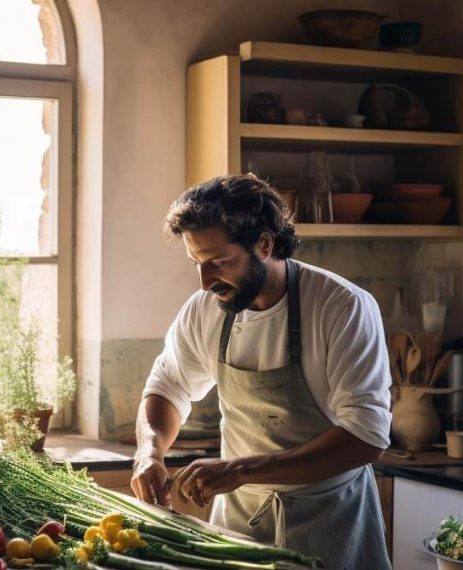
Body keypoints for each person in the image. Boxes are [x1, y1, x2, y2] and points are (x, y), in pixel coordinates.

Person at [130, 174, 393, 569]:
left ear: (264, 244)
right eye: (196, 264)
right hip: (240, 527)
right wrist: (148, 451)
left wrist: (240, 468)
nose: (204, 282)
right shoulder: (205, 310)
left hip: (331, 525)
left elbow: (367, 437)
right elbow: (168, 387)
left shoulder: (342, 307)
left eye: (218, 262)